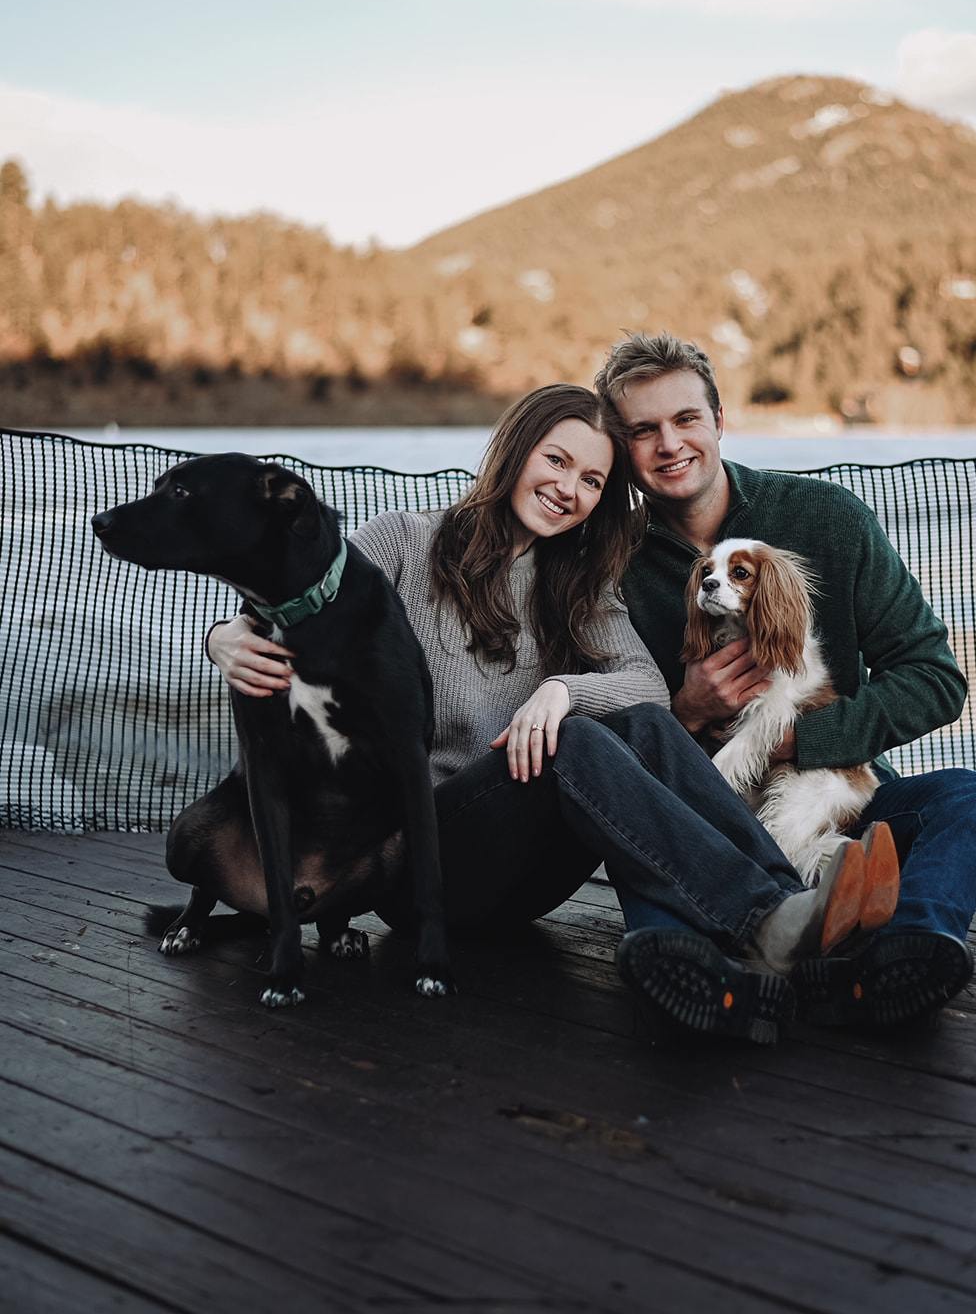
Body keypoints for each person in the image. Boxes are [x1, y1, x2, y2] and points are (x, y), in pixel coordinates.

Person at [205, 383, 893, 1042]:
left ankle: (780, 908)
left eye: (592, 480)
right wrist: (226, 635)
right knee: (578, 744)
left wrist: (564, 688)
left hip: (525, 871)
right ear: (515, 448)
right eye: (556, 461)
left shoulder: (581, 587)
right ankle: (768, 918)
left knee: (634, 725)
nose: (569, 489)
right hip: (421, 862)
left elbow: (648, 692)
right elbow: (293, 603)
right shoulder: (402, 541)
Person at [593, 332, 976, 1034]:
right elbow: (605, 746)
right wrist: (686, 708)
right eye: (643, 430)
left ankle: (909, 948)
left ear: (719, 422)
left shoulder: (829, 518)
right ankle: (695, 967)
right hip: (704, 821)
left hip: (831, 803)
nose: (669, 444)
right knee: (637, 818)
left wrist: (797, 740)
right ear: (623, 450)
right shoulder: (611, 563)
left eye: (686, 419)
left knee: (972, 795)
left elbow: (933, 677)